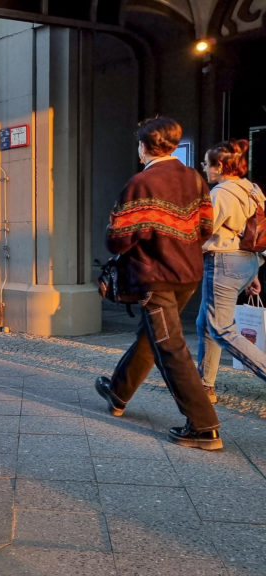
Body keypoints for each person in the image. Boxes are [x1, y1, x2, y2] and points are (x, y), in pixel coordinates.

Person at [94, 116, 222, 450]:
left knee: (170, 348)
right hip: (188, 274)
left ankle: (204, 426)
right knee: (155, 335)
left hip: (156, 276)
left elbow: (119, 239)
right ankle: (119, 391)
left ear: (144, 147)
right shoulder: (194, 178)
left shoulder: (142, 183)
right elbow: (206, 227)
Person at [195, 139, 266, 402]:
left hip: (224, 263)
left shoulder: (221, 194)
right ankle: (204, 386)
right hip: (247, 262)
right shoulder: (254, 190)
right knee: (206, 323)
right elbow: (253, 234)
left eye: (206, 163)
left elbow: (204, 232)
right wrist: (253, 273)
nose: (204, 168)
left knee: (222, 329)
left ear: (221, 165)